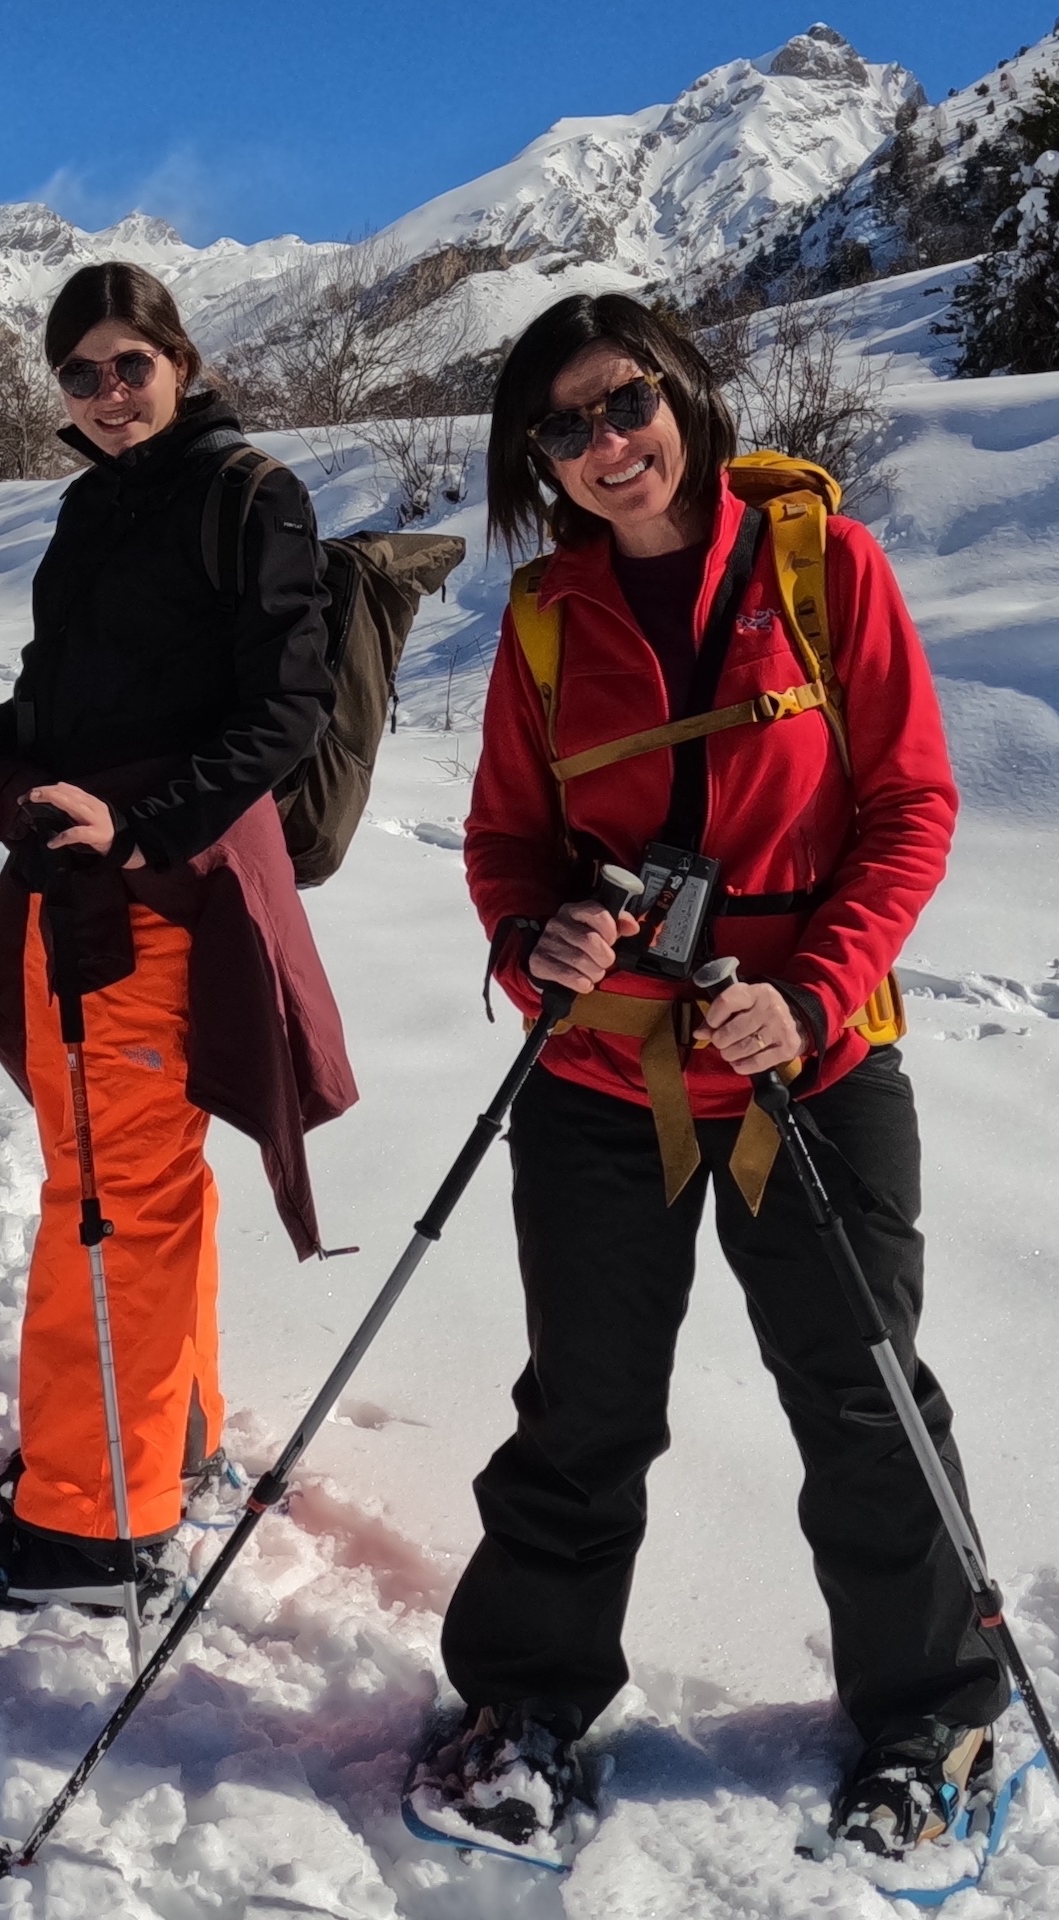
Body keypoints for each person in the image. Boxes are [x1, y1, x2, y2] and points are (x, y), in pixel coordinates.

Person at [406, 292, 1006, 1863]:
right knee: (586, 1407)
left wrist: (814, 990)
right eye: (565, 426)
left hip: (812, 1064)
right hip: (608, 1077)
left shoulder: (823, 568)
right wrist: (535, 936)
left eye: (626, 404)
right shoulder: (546, 619)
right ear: (534, 458)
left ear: (684, 394)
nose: (606, 446)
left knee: (863, 1393)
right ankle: (525, 1703)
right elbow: (504, 845)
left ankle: (932, 1713)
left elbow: (911, 807)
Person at [0, 261, 356, 1609]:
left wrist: (148, 832)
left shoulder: (248, 495)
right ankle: (160, 1435)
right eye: (78, 373)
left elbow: (283, 713)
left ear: (180, 362)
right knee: (139, 1182)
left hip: (154, 895)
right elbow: (60, 713)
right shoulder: (95, 507)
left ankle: (89, 1529)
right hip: (93, 886)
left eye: (129, 362)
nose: (106, 391)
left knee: (110, 1201)